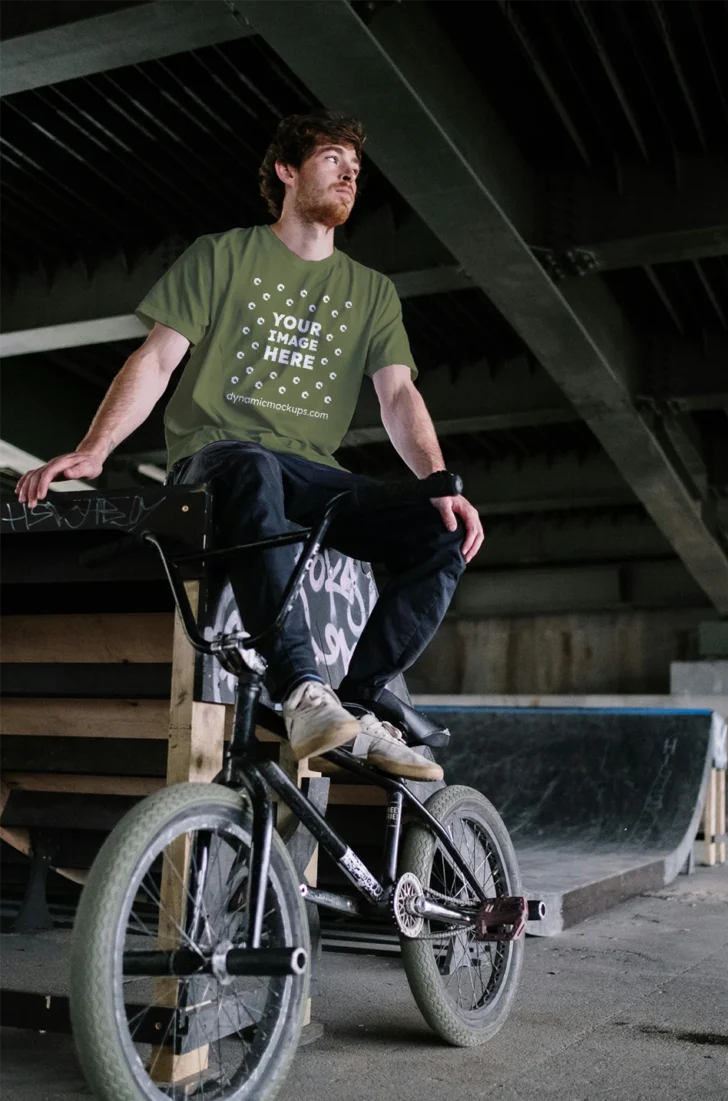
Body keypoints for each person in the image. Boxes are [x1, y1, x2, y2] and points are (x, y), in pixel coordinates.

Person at [15, 110, 484, 781]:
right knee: (253, 463)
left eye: (356, 165)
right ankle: (303, 691)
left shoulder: (371, 293)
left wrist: (438, 481)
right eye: (331, 157)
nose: (350, 171)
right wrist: (96, 447)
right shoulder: (222, 255)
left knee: (438, 530)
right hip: (219, 459)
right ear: (286, 171)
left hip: (313, 472)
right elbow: (156, 359)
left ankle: (357, 706)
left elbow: (398, 396)